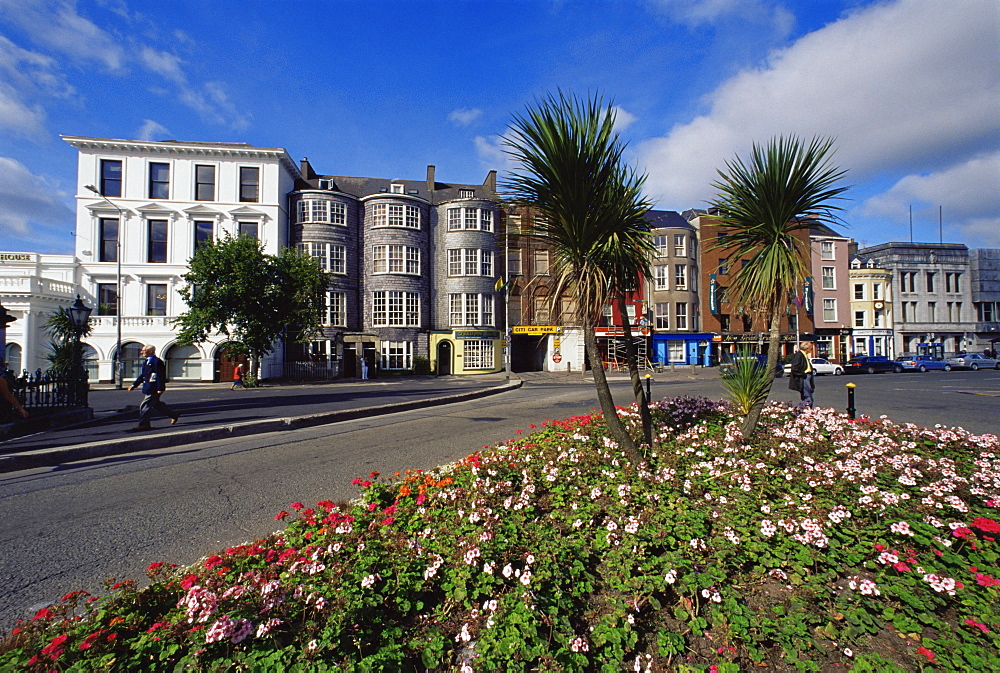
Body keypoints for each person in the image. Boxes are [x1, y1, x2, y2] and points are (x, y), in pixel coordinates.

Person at [126, 344, 180, 431]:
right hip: (148, 386)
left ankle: (144, 424)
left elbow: (160, 376)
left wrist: (160, 388)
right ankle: (173, 414)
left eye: (143, 350)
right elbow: (143, 375)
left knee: (144, 405)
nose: (141, 352)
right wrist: (134, 385)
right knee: (156, 405)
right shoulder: (146, 362)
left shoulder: (157, 362)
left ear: (150, 351)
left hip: (153, 388)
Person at [788, 342, 815, 408]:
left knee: (808, 396)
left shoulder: (804, 355)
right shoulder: (799, 355)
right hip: (804, 377)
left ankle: (803, 410)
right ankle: (801, 410)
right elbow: (795, 368)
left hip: (807, 377)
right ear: (807, 348)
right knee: (807, 398)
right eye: (811, 348)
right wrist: (803, 374)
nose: (811, 350)